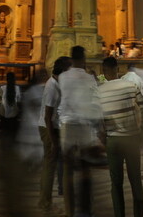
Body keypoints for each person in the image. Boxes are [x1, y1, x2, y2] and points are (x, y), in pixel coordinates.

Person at [100, 57, 143, 217]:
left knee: (116, 184)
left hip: (113, 140)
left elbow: (96, 120)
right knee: (136, 181)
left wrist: (103, 138)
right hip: (132, 138)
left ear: (104, 71)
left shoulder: (99, 92)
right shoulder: (130, 86)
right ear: (117, 69)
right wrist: (142, 132)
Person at [57, 45, 102, 217]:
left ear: (71, 59)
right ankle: (85, 209)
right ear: (83, 59)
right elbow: (95, 101)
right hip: (84, 125)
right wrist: (99, 127)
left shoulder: (63, 77)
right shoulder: (89, 78)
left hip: (68, 124)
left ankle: (70, 210)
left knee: (68, 169)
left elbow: (65, 100)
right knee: (85, 167)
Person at [38, 56, 70, 214]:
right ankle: (45, 202)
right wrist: (53, 140)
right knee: (50, 165)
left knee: (57, 164)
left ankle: (57, 198)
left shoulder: (58, 83)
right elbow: (47, 115)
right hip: (48, 128)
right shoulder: (52, 86)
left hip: (55, 127)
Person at [0, 70, 22, 144]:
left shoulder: (2, 88)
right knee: (13, 131)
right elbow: (19, 100)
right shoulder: (17, 88)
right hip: (14, 113)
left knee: (4, 130)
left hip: (3, 113)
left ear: (6, 79)